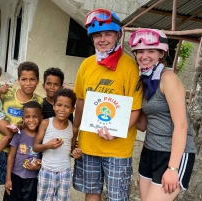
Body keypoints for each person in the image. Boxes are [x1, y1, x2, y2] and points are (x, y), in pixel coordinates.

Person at [72, 8, 143, 201]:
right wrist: (75, 131)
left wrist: (116, 130)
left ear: (118, 35)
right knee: (92, 192)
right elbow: (80, 100)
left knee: (117, 197)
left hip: (118, 147)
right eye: (97, 35)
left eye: (108, 34)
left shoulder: (130, 66)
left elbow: (135, 109)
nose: (102, 39)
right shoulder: (86, 65)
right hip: (89, 143)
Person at [128, 29, 196, 201]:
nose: (145, 56)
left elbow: (181, 125)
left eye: (151, 51)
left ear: (161, 53)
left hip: (172, 153)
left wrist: (173, 168)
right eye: (140, 51)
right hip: (150, 149)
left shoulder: (168, 79)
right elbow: (143, 125)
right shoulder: (144, 80)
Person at [0, 61, 43, 201]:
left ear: (38, 81)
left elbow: (40, 126)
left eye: (32, 79)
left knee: (11, 187)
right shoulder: (6, 93)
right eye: (24, 79)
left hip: (15, 151)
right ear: (18, 80)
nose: (28, 83)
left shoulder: (39, 102)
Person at [33, 88, 81, 201]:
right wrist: (47, 146)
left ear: (72, 109)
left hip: (65, 173)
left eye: (67, 106)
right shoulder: (45, 123)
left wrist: (75, 153)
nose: (62, 109)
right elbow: (35, 147)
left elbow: (71, 151)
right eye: (59, 105)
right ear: (54, 106)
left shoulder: (73, 128)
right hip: (46, 171)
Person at [3, 101, 43, 201]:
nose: (31, 120)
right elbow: (11, 157)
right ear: (23, 119)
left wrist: (39, 166)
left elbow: (45, 159)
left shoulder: (43, 138)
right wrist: (8, 179)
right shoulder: (18, 135)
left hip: (33, 180)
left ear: (41, 118)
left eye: (35, 116)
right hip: (15, 177)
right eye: (27, 117)